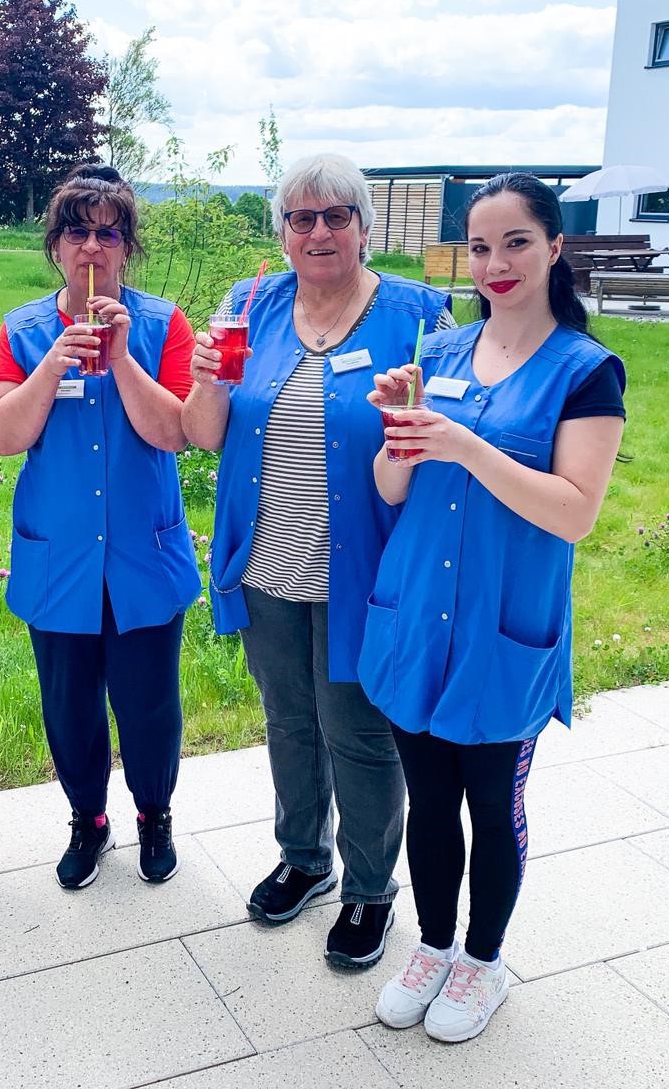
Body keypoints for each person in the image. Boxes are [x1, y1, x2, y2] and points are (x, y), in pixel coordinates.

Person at [362, 172, 626, 1042]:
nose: (496, 263)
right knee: (428, 802)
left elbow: (573, 510)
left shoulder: (586, 373)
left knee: (490, 803)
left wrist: (466, 445)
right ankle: (432, 945)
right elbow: (391, 486)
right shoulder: (438, 354)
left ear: (555, 246)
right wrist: (399, 434)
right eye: (480, 246)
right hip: (416, 613)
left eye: (516, 242)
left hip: (502, 625)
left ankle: (483, 961)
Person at [182, 153, 452, 969]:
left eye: (337, 215)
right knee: (289, 723)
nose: (319, 231)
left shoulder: (416, 314)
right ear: (283, 234)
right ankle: (304, 859)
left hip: (364, 571)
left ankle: (370, 892)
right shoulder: (252, 303)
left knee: (359, 734)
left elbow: (438, 442)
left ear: (365, 227)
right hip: (266, 561)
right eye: (301, 218)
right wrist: (203, 378)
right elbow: (206, 432)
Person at [0, 164, 201, 890]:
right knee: (70, 708)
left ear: (127, 247)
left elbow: (175, 433)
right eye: (77, 232)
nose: (92, 249)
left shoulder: (164, 324)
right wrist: (52, 363)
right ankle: (88, 819)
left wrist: (125, 355)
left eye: (108, 234)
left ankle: (154, 815)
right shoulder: (22, 329)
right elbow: (5, 435)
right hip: (59, 559)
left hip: (144, 554)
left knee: (149, 706)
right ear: (55, 245)